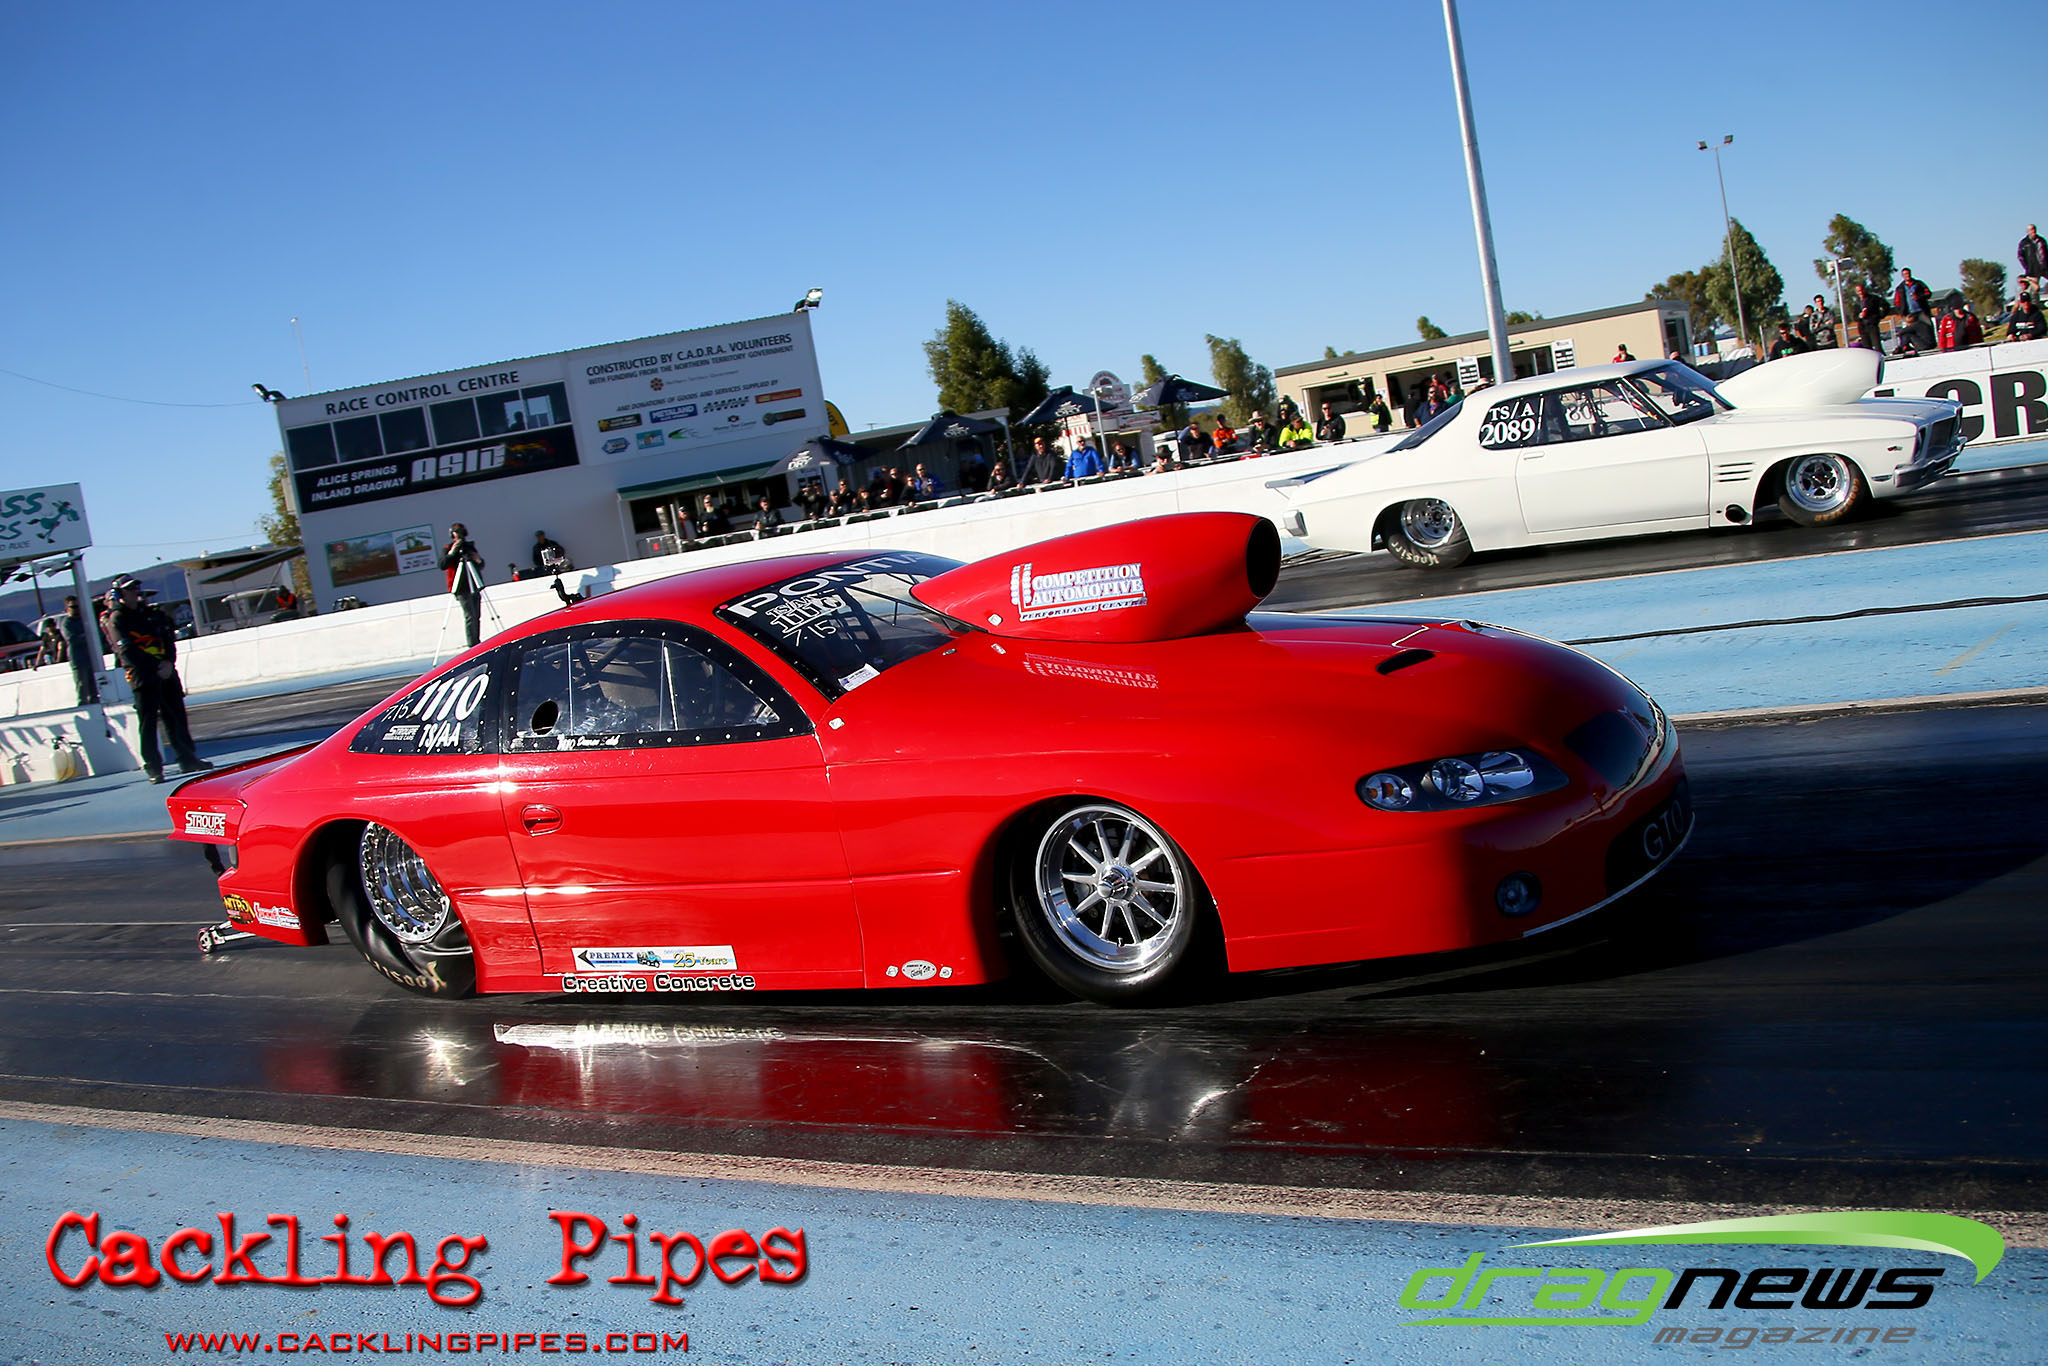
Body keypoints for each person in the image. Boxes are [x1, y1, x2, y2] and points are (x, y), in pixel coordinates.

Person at [107, 575, 211, 784]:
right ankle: (153, 767)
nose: (135, 591)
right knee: (148, 723)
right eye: (129, 589)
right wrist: (156, 667)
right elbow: (126, 651)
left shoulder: (152, 614)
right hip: (142, 677)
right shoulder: (117, 618)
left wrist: (168, 663)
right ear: (119, 594)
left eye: (136, 587)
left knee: (177, 718)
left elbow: (168, 640)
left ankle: (188, 759)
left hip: (167, 673)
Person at [439, 522, 485, 648]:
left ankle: (477, 640)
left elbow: (480, 565)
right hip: (460, 587)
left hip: (473, 584)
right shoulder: (448, 548)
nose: (458, 535)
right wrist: (452, 552)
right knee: (470, 615)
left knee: (476, 615)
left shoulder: (469, 547)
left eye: (460, 532)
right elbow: (442, 565)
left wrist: (477, 559)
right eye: (456, 532)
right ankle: (472, 644)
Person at [61, 595, 99, 706]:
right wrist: (87, 636)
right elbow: (72, 639)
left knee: (93, 685)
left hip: (90, 656)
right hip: (78, 658)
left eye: (78, 606)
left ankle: (95, 702)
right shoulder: (67, 623)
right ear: (67, 608)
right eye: (73, 607)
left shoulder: (86, 620)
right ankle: (83, 704)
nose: (76, 609)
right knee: (82, 684)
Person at [2019, 224, 2048, 297]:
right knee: (2033, 290)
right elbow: (2020, 256)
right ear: (2028, 231)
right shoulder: (2024, 243)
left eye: (2034, 229)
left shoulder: (2041, 240)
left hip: (2044, 267)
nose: (2033, 231)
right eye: (2031, 229)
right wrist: (2027, 268)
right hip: (2032, 269)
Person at [1854, 283, 1885, 350]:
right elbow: (1855, 316)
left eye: (1862, 290)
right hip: (1862, 327)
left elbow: (1885, 305)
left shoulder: (1873, 298)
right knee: (1867, 348)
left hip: (1872, 325)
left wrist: (1879, 316)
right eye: (1859, 291)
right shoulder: (1857, 302)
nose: (1861, 292)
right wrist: (1860, 316)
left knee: (1877, 346)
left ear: (1864, 290)